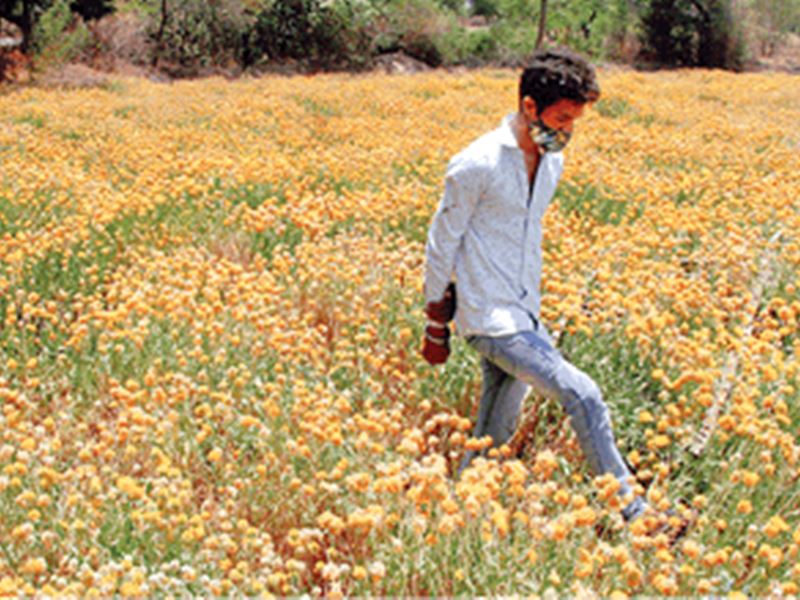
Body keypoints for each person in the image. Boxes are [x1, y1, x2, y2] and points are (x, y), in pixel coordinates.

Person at [420, 47, 651, 526]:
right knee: (583, 394)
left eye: (575, 122)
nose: (567, 131)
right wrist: (435, 323)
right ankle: (637, 515)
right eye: (562, 119)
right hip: (489, 319)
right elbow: (442, 243)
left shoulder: (551, 164)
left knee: (493, 430)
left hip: (524, 314)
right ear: (529, 107)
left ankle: (455, 517)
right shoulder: (476, 163)